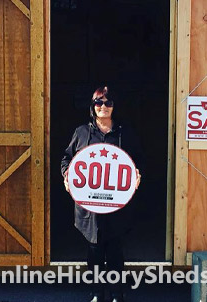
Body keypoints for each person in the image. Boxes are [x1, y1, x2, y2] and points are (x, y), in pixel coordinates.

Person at [61, 86, 142, 302]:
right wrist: (66, 176)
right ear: (92, 106)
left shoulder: (125, 132)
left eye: (108, 102)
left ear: (115, 106)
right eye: (99, 102)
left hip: (116, 204)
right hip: (90, 205)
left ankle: (117, 293)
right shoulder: (81, 133)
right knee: (94, 251)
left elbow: (137, 160)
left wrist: (137, 174)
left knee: (115, 250)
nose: (103, 107)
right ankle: (96, 292)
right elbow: (67, 159)